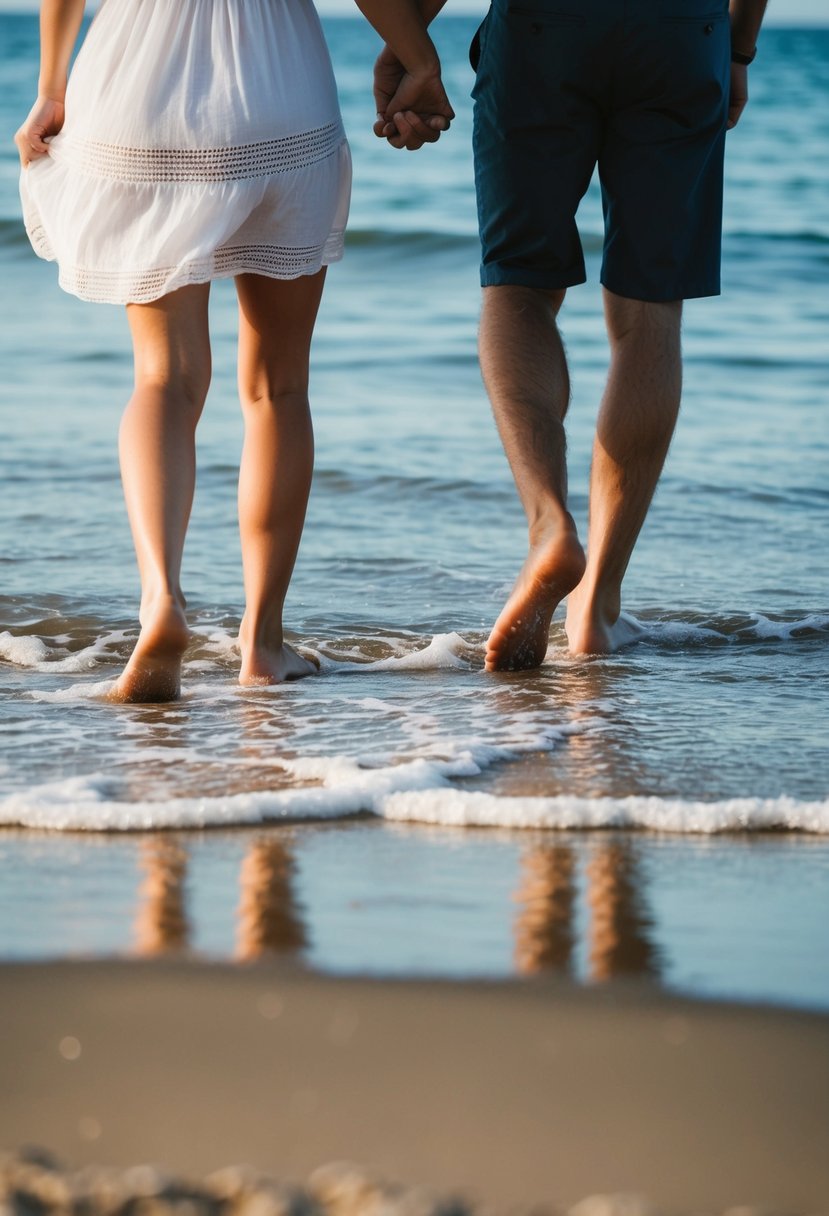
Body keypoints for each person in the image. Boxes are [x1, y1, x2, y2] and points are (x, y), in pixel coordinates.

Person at [15, 0, 453, 703]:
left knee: (164, 378)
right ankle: (263, 645)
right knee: (277, 386)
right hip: (277, 91)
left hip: (136, 88)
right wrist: (418, 56)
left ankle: (160, 600)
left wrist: (51, 88)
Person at [374, 0, 768, 669]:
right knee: (649, 311)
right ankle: (596, 609)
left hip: (540, 27)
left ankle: (548, 526)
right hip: (681, 31)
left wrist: (412, 44)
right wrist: (735, 49)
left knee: (519, 288)